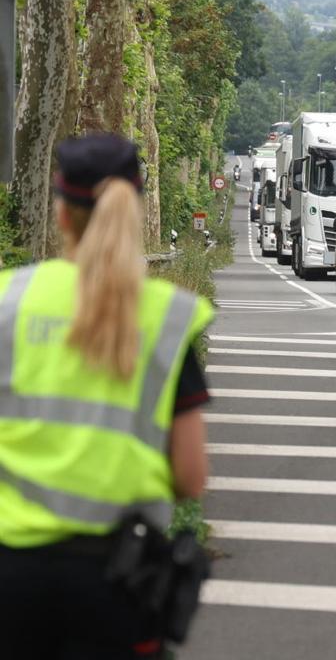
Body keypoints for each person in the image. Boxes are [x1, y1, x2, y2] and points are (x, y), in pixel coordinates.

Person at [0, 133, 213, 659]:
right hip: (118, 577)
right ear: (135, 208)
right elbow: (190, 478)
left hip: (10, 573)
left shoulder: (10, 301)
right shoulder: (165, 318)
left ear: (61, 213)